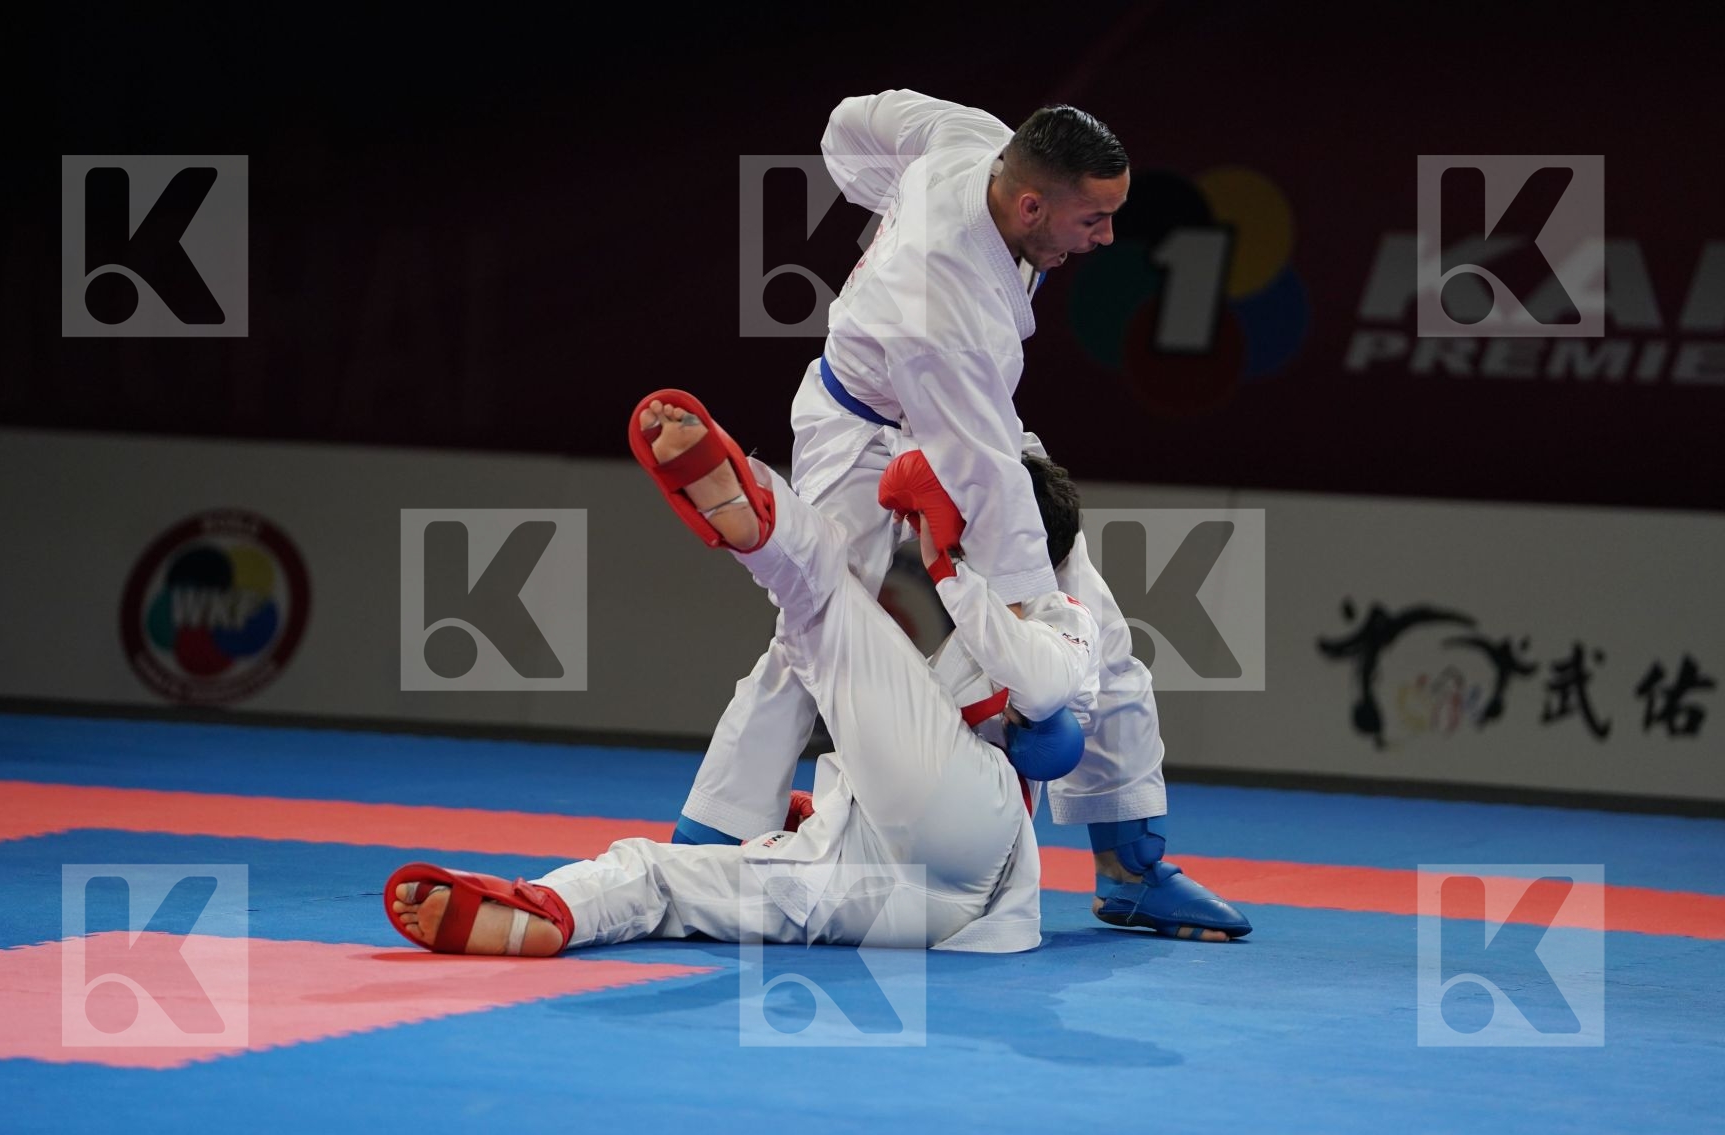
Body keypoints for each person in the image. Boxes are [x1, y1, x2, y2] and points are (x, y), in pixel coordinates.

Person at [675, 88, 1250, 941]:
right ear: (1031, 204)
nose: (1107, 238)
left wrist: (884, 206)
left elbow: (848, 121)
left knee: (1106, 637)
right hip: (862, 444)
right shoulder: (946, 294)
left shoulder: (971, 141)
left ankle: (1132, 866)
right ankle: (703, 847)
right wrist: (1031, 613)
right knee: (822, 634)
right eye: (1093, 220)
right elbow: (980, 473)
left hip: (960, 419)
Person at [384, 390, 1098, 956]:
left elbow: (1042, 697)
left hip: (971, 832)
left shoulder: (1061, 613)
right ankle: (545, 912)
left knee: (824, 599)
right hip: (913, 902)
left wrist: (948, 561)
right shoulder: (961, 618)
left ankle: (751, 511)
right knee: (667, 878)